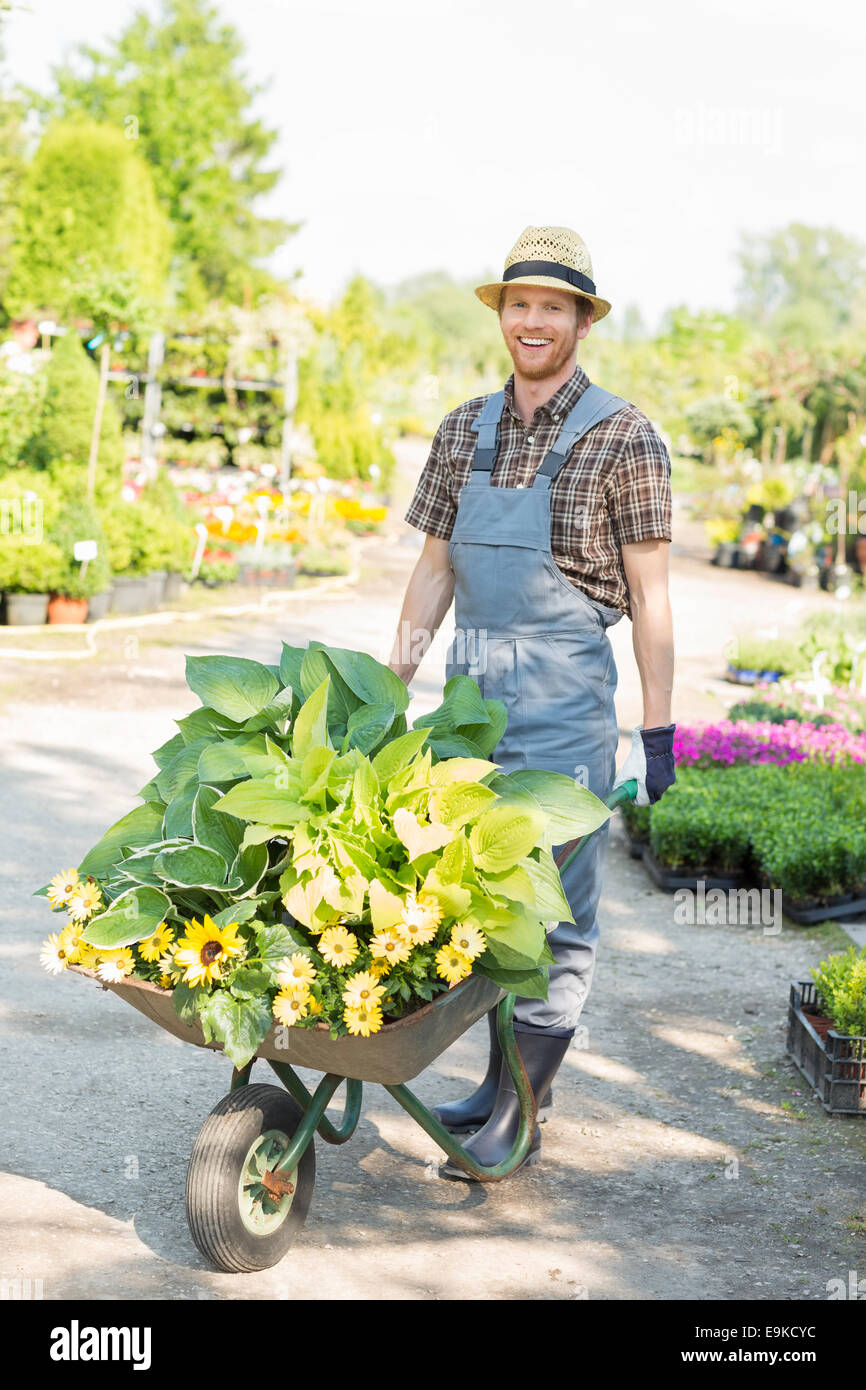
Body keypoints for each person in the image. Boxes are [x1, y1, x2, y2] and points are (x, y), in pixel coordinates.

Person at [388, 225, 676, 1180]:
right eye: (520, 304)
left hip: (562, 693)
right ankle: (495, 1079)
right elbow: (432, 572)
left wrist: (659, 727)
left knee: (554, 906)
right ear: (502, 315)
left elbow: (653, 599)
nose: (533, 320)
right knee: (467, 893)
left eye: (554, 306)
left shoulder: (624, 436)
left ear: (582, 320)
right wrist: (390, 685)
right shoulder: (462, 427)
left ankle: (524, 1105)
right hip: (470, 694)